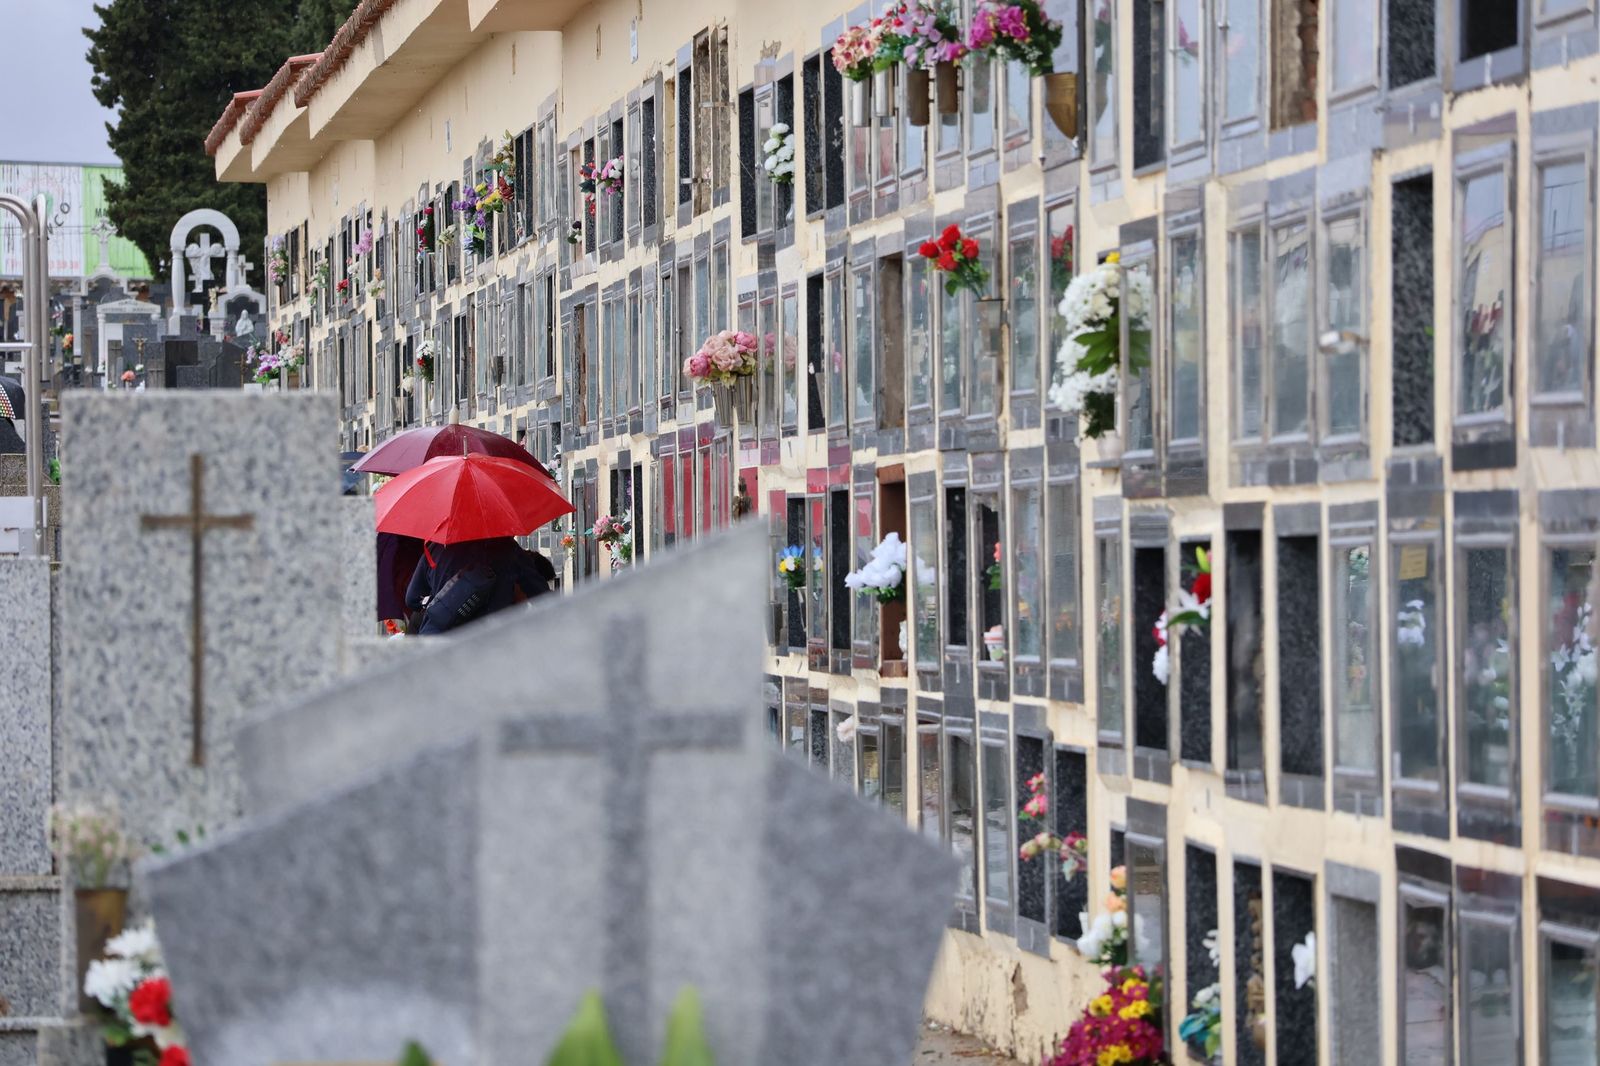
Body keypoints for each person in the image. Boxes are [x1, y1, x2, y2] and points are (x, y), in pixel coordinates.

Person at [405, 536, 556, 635]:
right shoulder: (508, 548)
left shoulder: (434, 549)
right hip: (490, 641)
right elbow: (543, 597)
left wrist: (445, 601)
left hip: (444, 639)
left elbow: (412, 599)